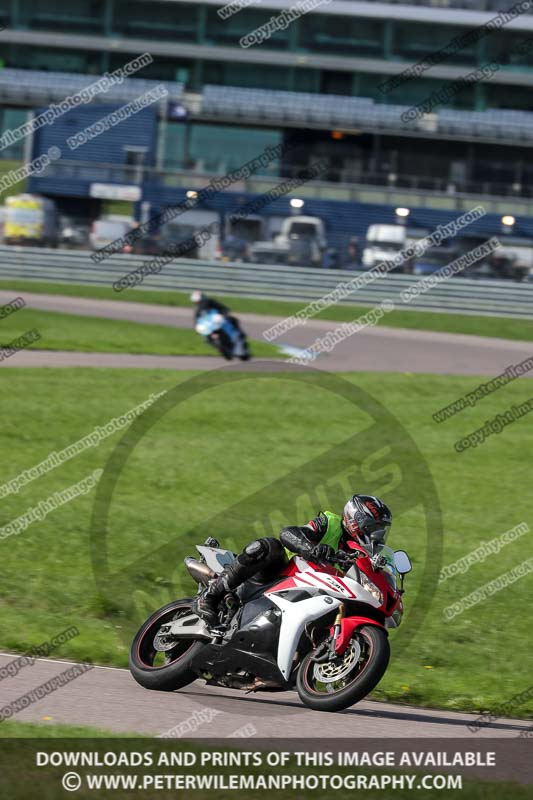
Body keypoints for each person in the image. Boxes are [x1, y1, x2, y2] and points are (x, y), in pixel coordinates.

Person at [192, 494, 392, 626]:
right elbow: (287, 533)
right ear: (356, 521)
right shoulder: (330, 523)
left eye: (382, 531)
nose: (378, 536)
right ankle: (209, 597)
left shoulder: (362, 555)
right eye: (374, 529)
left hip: (315, 595)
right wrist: (311, 548)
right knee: (269, 546)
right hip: (279, 575)